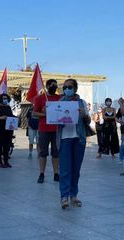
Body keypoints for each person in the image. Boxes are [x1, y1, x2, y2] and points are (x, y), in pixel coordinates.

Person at [57, 79, 89, 209]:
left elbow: (88, 120)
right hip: (65, 138)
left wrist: (84, 115)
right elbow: (55, 121)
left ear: (75, 88)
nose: (66, 89)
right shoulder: (59, 103)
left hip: (78, 138)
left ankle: (74, 195)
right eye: (64, 87)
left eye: (69, 87)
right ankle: (64, 196)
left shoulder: (82, 103)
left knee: (76, 169)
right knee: (65, 169)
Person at [33, 79, 61, 183]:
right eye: (53, 85)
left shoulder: (60, 98)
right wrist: (45, 114)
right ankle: (41, 173)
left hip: (57, 129)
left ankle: (56, 173)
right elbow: (34, 113)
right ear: (47, 86)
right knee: (43, 152)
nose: (54, 87)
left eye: (56, 85)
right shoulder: (40, 98)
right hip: (44, 129)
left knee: (56, 153)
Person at [0, 93, 15, 168]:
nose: (5, 100)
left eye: (6, 98)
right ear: (0, 99)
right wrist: (1, 117)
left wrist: (15, 118)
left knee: (7, 146)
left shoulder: (8, 107)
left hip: (8, 130)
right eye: (3, 98)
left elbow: (11, 116)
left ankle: (6, 161)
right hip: (0, 130)